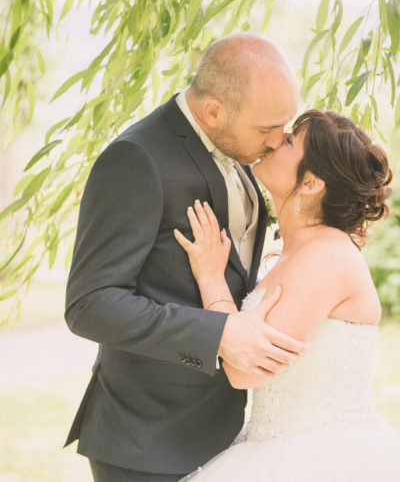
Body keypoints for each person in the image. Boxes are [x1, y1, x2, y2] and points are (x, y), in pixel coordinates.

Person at [63, 33, 307, 482]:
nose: (279, 142)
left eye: (285, 125)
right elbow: (90, 304)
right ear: (213, 110)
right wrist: (218, 334)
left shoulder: (241, 149)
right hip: (148, 443)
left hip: (226, 434)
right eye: (266, 128)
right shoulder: (136, 159)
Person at [175, 109, 400, 481]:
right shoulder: (290, 253)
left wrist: (211, 277)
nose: (276, 138)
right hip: (271, 443)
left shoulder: (326, 257)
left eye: (291, 140)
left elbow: (243, 369)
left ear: (310, 183)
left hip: (320, 460)